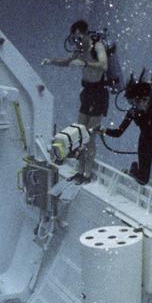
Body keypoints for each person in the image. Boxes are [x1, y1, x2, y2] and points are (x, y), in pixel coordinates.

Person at [42, 19, 108, 182]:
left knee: (91, 135)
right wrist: (51, 61)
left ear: (85, 34)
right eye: (74, 38)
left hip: (98, 94)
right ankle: (80, 169)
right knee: (79, 132)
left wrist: (85, 62)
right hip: (87, 93)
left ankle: (88, 172)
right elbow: (68, 62)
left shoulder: (97, 46)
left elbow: (104, 65)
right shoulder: (80, 50)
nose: (77, 41)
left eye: (79, 37)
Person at [102, 77, 152, 193]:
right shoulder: (134, 111)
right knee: (143, 179)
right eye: (130, 103)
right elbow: (119, 132)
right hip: (146, 141)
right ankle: (134, 168)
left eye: (132, 102)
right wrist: (103, 130)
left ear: (140, 99)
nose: (132, 106)